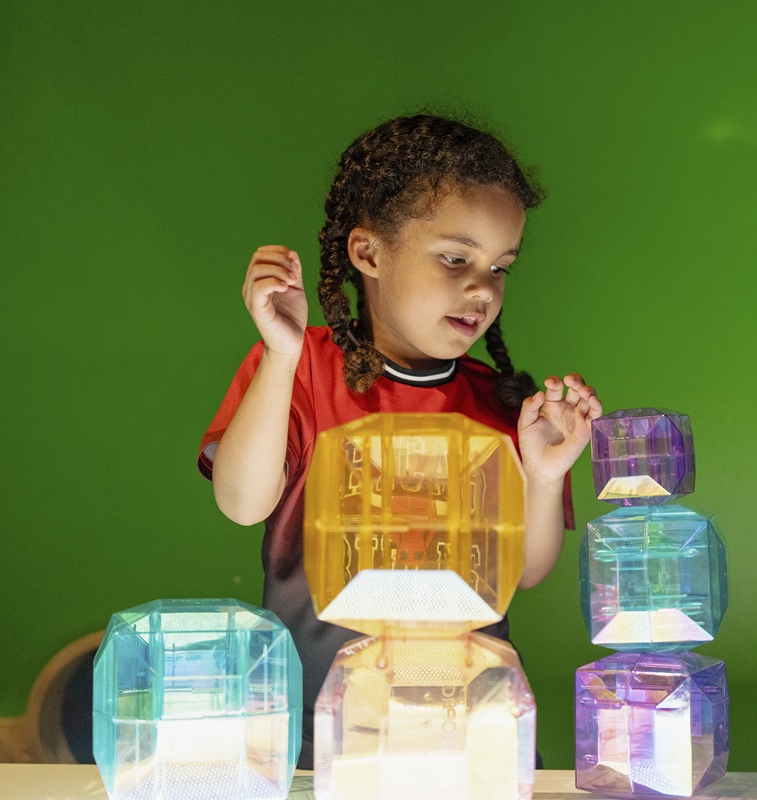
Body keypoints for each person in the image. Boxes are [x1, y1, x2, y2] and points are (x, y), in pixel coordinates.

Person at [196, 114, 601, 768]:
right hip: (314, 738)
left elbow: (524, 572)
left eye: (500, 267)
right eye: (455, 258)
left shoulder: (502, 404)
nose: (482, 289)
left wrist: (547, 472)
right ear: (368, 253)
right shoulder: (298, 366)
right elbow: (242, 502)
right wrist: (279, 353)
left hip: (469, 740)